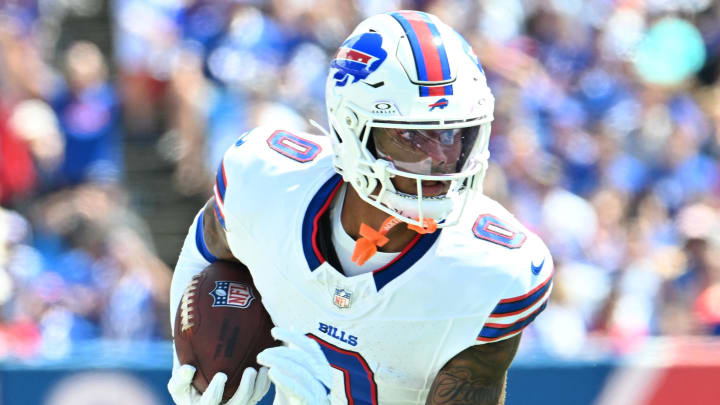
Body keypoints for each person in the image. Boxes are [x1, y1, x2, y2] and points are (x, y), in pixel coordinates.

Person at [168, 10, 553, 405]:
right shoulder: (266, 182)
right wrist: (191, 363)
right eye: (414, 136)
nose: (442, 158)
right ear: (351, 130)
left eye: (456, 134)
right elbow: (210, 241)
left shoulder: (488, 272)